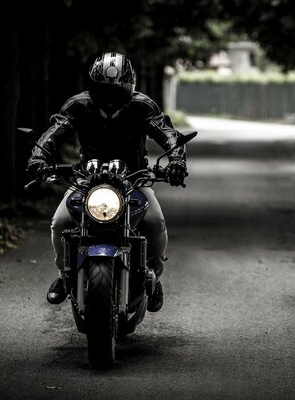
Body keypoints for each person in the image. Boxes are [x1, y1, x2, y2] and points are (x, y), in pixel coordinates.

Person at [26, 51, 187, 312]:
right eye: (104, 89)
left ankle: (154, 277)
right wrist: (38, 157)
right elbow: (53, 132)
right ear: (93, 85)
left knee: (155, 222)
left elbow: (167, 133)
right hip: (86, 179)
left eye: (117, 90)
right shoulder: (78, 105)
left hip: (134, 179)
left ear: (129, 86)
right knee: (60, 222)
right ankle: (64, 274)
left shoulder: (143, 106)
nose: (110, 97)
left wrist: (177, 160)